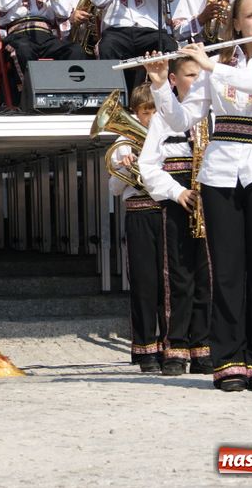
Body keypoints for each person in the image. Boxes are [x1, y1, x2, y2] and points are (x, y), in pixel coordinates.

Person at [145, 0, 252, 393]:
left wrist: (210, 66)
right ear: (235, 23)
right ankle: (229, 358)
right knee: (225, 271)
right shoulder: (217, 68)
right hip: (219, 173)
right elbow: (182, 120)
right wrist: (163, 84)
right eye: (251, 16)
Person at [138, 56, 212, 376]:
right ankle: (175, 347)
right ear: (174, 80)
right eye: (190, 75)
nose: (196, 82)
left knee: (207, 276)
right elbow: (148, 166)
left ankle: (204, 347)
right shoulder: (164, 118)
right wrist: (175, 192)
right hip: (180, 194)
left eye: (200, 75)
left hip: (210, 192)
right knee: (178, 276)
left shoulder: (214, 112)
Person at [107, 83, 166, 372]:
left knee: (170, 283)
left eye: (156, 110)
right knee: (144, 284)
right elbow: (115, 189)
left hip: (166, 210)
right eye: (146, 111)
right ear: (136, 113)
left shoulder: (170, 137)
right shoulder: (124, 143)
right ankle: (145, 350)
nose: (151, 117)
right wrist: (126, 169)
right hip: (139, 212)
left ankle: (172, 345)